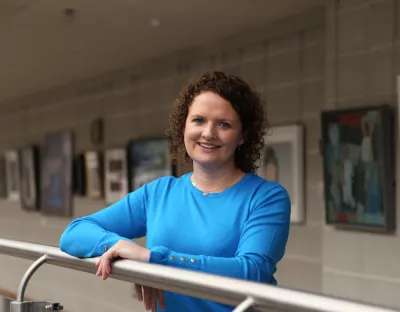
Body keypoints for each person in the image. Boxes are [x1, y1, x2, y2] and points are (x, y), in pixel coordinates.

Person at [59, 71, 291, 312]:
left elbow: (252, 271)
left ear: (242, 135)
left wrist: (153, 259)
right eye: (199, 120)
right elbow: (74, 233)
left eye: (224, 124)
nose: (208, 133)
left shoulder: (266, 197)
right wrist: (122, 248)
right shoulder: (159, 193)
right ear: (183, 126)